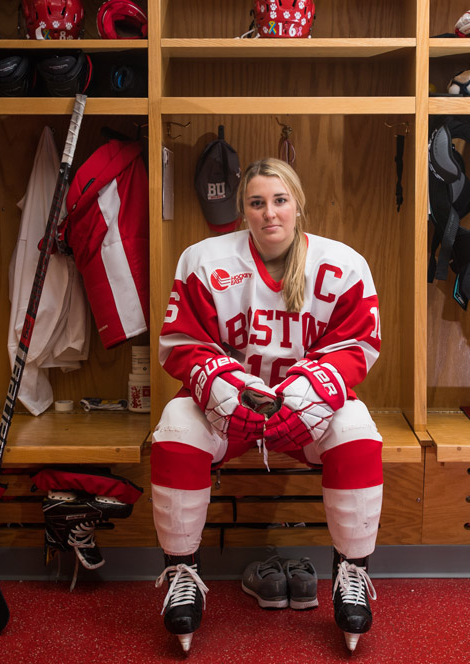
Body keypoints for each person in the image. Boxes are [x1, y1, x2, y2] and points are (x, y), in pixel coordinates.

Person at [151, 157, 383, 652]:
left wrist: (313, 391)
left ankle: (352, 571)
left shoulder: (344, 263)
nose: (269, 213)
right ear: (244, 210)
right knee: (174, 425)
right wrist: (220, 385)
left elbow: (357, 346)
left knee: (358, 429)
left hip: (310, 412)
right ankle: (181, 571)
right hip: (228, 410)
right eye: (257, 203)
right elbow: (180, 341)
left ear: (298, 205)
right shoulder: (204, 259)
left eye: (279, 201)